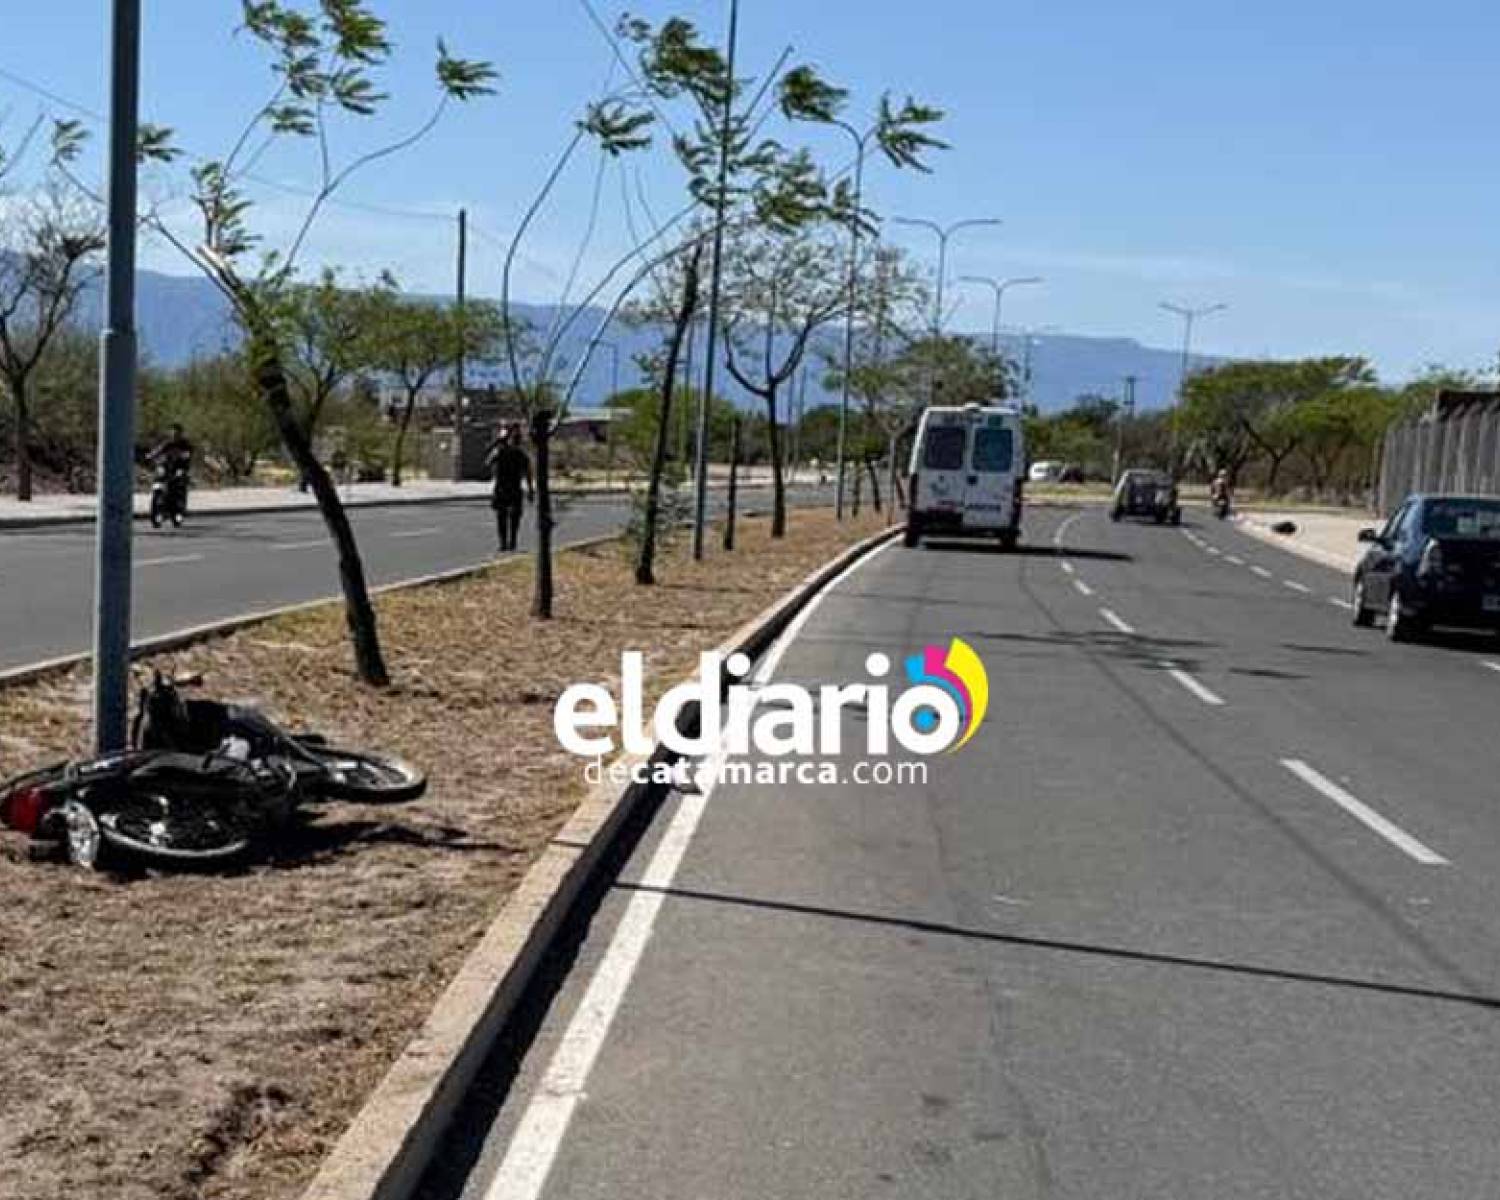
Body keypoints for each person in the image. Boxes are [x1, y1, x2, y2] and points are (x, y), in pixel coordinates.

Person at [487, 423, 534, 552]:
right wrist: (530, 490)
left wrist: (530, 489)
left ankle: (509, 542)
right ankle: (507, 542)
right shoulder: (504, 451)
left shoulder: (517, 454)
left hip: (510, 487)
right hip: (505, 487)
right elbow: (489, 461)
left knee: (510, 516)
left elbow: (488, 461)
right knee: (505, 516)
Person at [146, 423, 194, 513]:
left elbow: (189, 453)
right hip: (168, 466)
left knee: (180, 478)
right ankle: (160, 500)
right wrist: (150, 455)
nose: (173, 435)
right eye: (172, 433)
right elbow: (158, 450)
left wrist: (185, 455)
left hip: (180, 466)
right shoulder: (167, 443)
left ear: (180, 433)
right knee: (160, 476)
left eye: (176, 433)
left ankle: (180, 502)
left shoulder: (185, 444)